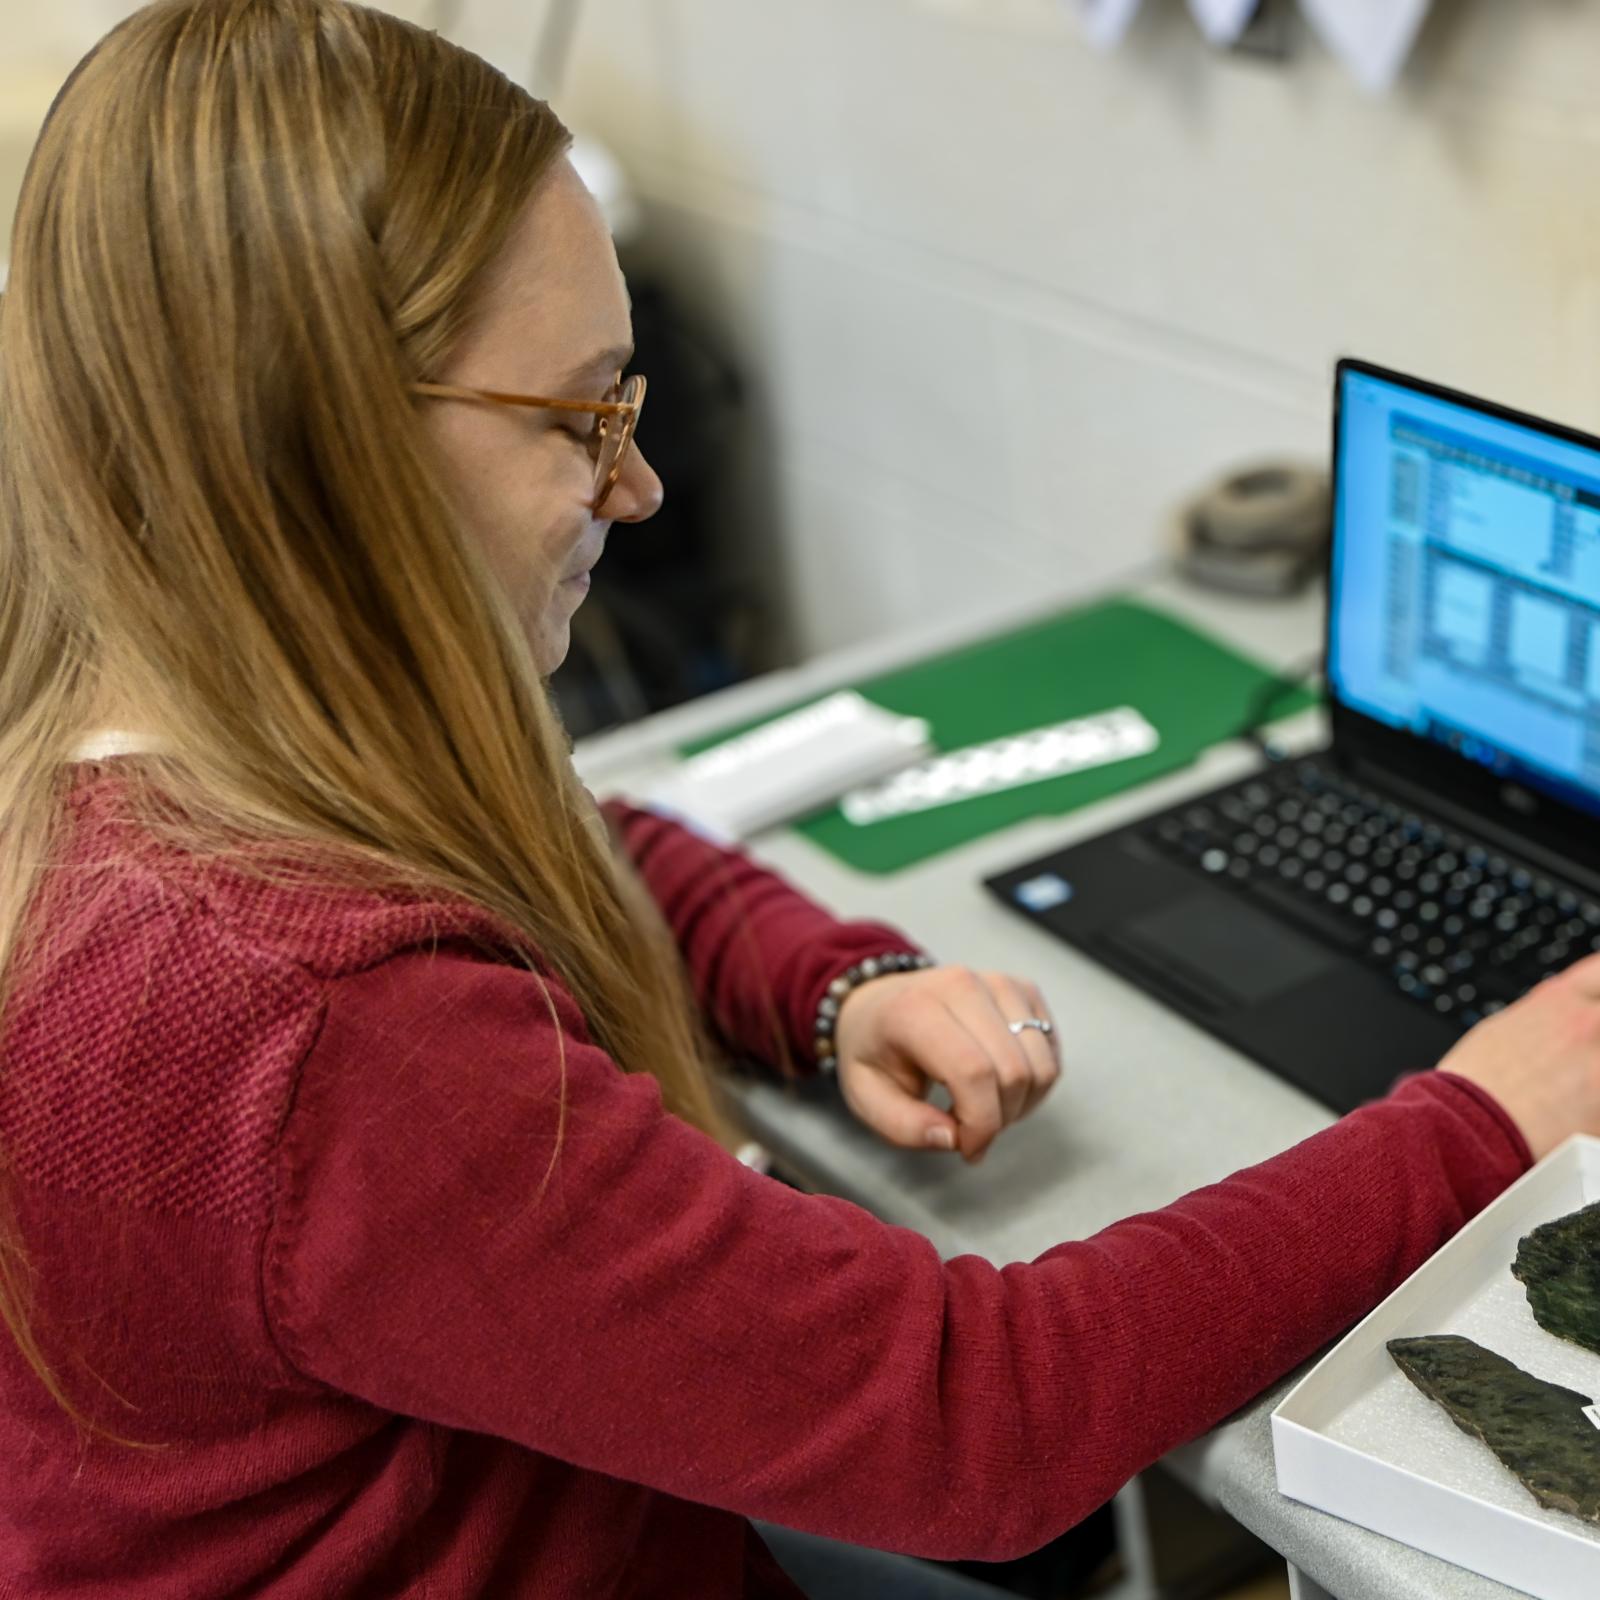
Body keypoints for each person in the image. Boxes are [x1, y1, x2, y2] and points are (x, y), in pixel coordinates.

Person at [2, 5, 1599, 1598]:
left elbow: (576, 840)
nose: (638, 487)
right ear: (329, 445)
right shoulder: (318, 1021)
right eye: (584, 415)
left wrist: (834, 991)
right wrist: (1485, 1119)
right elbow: (977, 1422)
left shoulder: (143, 760)